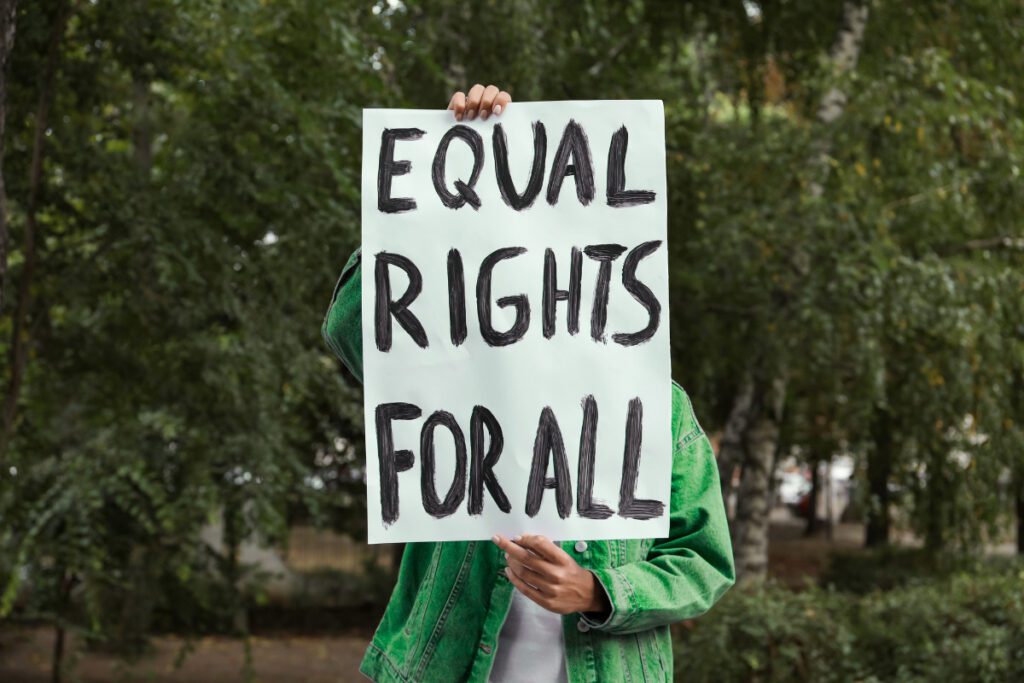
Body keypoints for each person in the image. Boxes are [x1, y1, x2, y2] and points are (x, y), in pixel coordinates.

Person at [321, 84, 735, 683]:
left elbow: (704, 559)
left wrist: (599, 591)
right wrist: (446, 171)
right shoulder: (454, 375)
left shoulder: (657, 406)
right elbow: (352, 323)